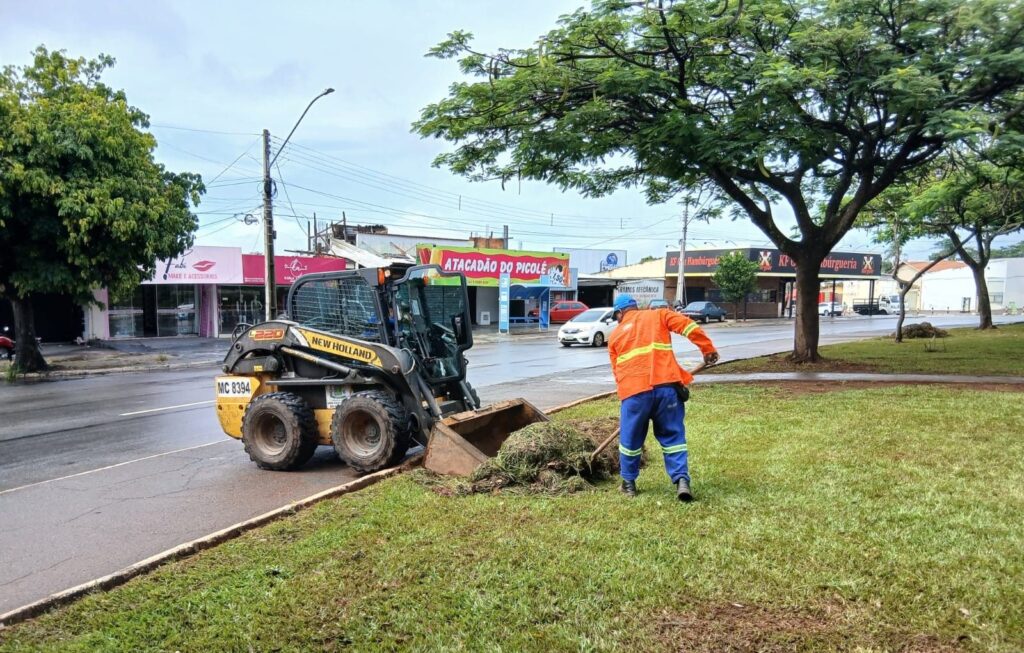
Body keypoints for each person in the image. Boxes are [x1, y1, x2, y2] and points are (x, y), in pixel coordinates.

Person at [608, 294, 719, 502]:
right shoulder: (659, 315)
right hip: (667, 389)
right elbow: (688, 326)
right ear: (635, 308)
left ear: (620, 313)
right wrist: (708, 349)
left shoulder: (614, 337)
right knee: (673, 437)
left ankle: (628, 484)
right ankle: (681, 481)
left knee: (630, 439)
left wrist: (628, 402)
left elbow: (618, 373)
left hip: (634, 393)